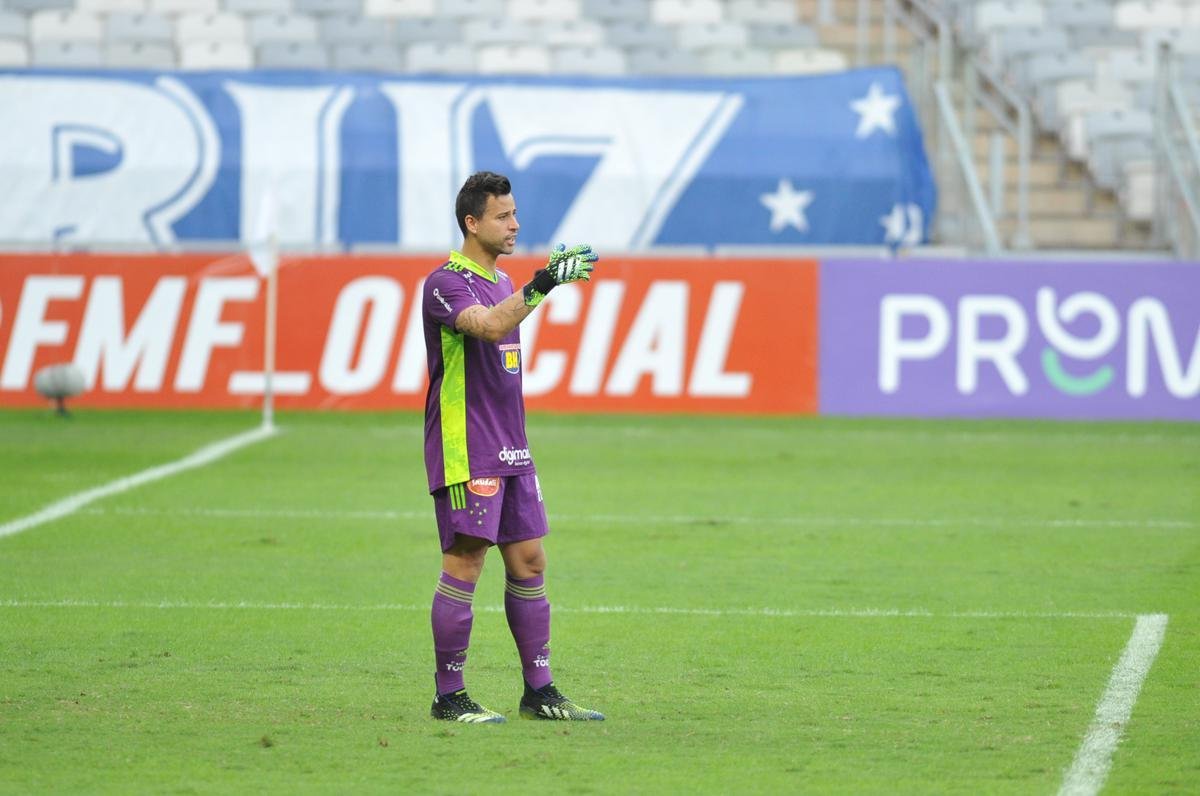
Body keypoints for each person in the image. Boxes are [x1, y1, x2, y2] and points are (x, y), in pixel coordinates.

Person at [421, 170, 605, 724]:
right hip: (467, 446)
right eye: (503, 216)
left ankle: (539, 691)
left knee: (529, 560)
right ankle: (448, 696)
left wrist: (531, 284)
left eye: (515, 213)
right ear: (472, 222)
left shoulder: (503, 282)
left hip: (512, 445)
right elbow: (490, 329)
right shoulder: (445, 282)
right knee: (466, 560)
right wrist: (545, 281)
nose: (515, 224)